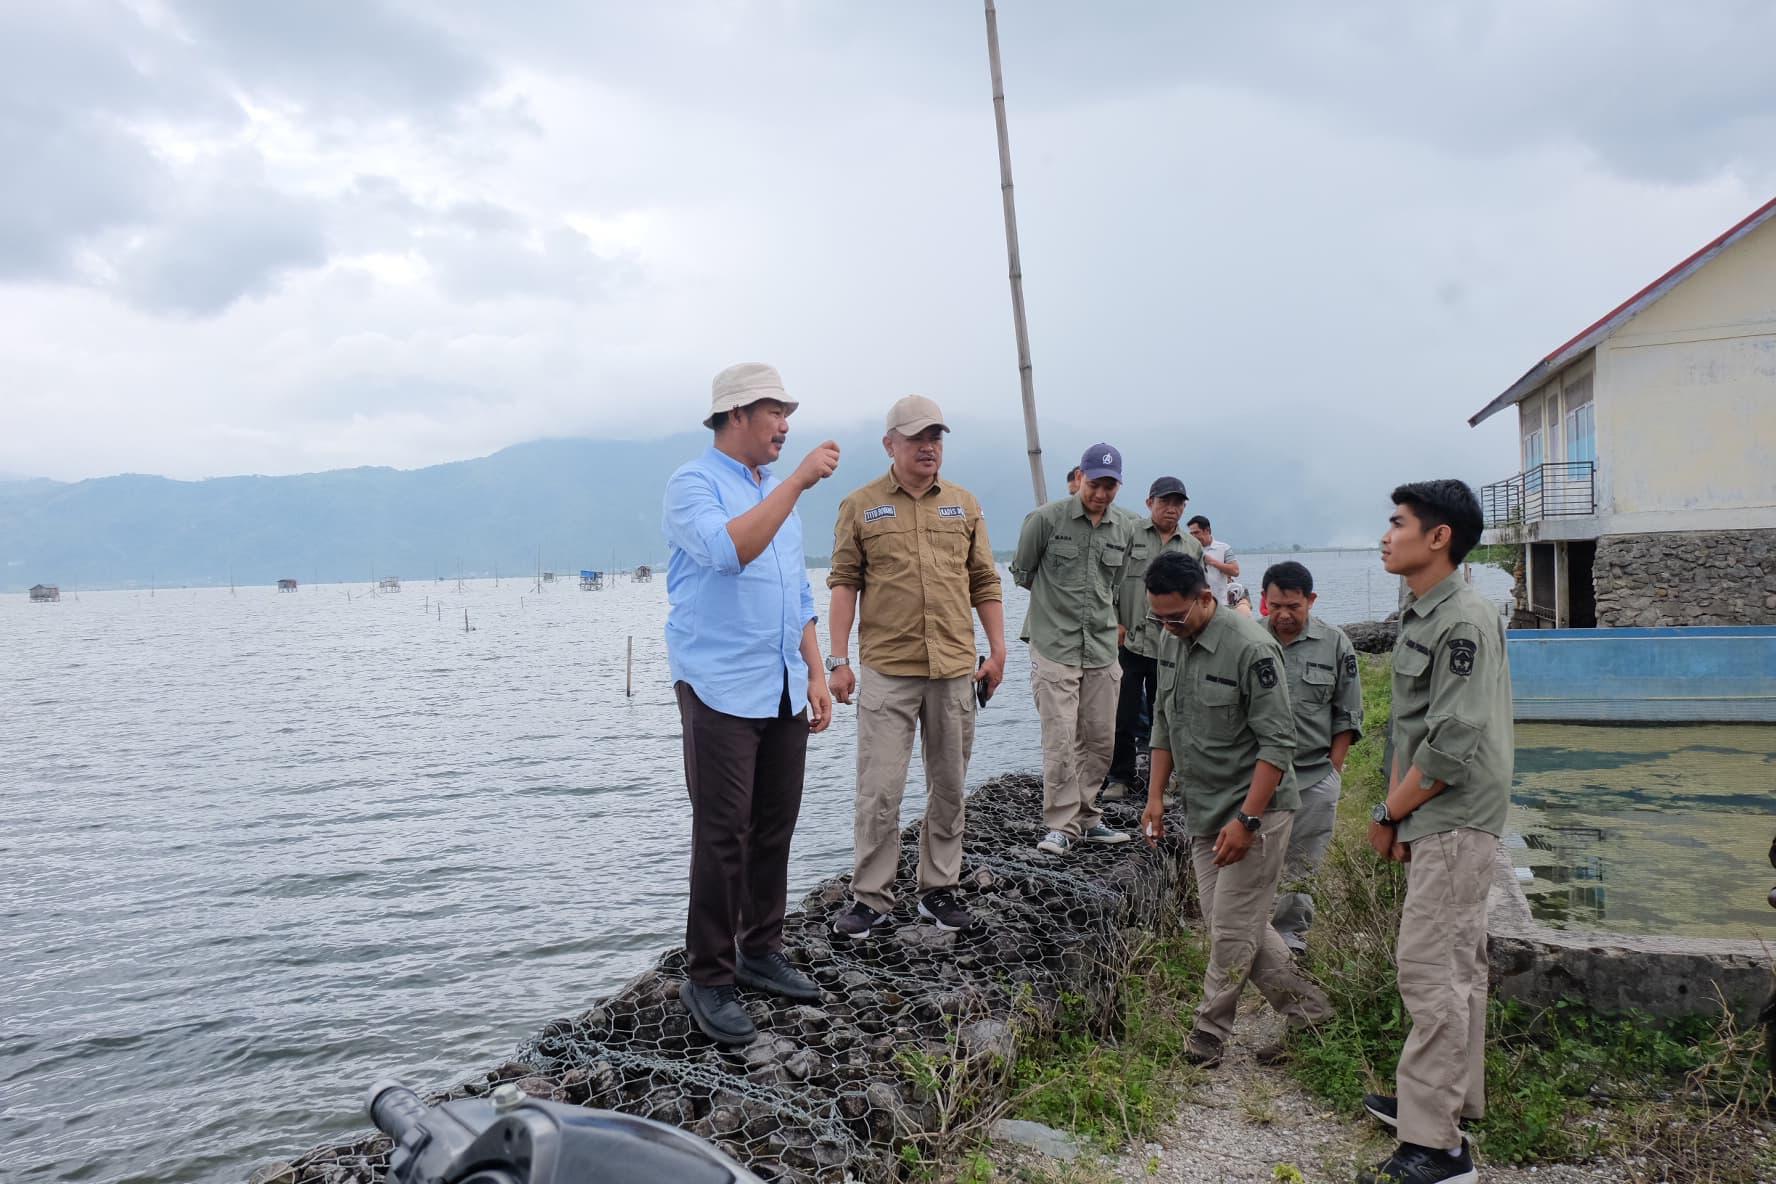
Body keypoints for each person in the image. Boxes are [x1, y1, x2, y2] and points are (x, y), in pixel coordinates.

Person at [661, 362, 839, 1047]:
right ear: (737, 414)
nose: (786, 426)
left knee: (774, 825)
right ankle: (706, 976)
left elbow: (795, 595)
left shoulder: (774, 494)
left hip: (782, 682)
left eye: (789, 414)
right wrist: (796, 483)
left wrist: (817, 673)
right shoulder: (693, 484)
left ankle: (759, 949)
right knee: (722, 832)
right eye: (775, 412)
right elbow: (729, 550)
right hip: (718, 686)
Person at [1358, 479, 1512, 1184]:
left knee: (1432, 974)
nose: (1387, 536)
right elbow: (1411, 730)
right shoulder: (1427, 612)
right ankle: (1444, 1102)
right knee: (1459, 969)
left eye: (1398, 524)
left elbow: (1450, 746)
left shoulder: (1464, 620)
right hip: (1434, 815)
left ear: (1438, 536)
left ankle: (1438, 1151)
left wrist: (1391, 811)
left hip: (1452, 816)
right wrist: (1397, 814)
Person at [1139, 552, 1331, 1067]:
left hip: (1256, 812)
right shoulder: (1169, 638)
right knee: (1232, 920)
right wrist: (1156, 796)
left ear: (1207, 598)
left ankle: (1208, 1034)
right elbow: (1163, 723)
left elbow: (1277, 744)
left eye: (1176, 617)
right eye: (1159, 618)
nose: (1168, 627)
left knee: (1228, 927)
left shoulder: (1251, 648)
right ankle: (1312, 1014)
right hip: (1203, 809)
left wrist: (1247, 820)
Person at [826, 395, 1006, 939]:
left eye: (936, 438)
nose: (929, 447)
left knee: (949, 785)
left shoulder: (965, 503)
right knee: (879, 789)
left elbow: (985, 582)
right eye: (916, 438)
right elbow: (844, 584)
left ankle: (939, 890)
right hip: (887, 669)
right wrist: (837, 661)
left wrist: (997, 652)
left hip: (954, 666)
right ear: (890, 445)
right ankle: (871, 899)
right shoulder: (859, 506)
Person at [1010, 444, 1136, 856]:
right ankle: (1061, 825)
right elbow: (1023, 574)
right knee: (1061, 738)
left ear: (1119, 484)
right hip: (1054, 645)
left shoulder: (1125, 528)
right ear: (1080, 477)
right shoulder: (1045, 520)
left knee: (1100, 739)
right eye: (1095, 484)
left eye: (1110, 486)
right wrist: (1056, 606)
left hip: (1101, 645)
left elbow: (1114, 585)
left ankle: (1086, 815)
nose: (1101, 494)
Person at [1260, 561, 1364, 958]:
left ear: (1311, 601)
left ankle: (1291, 938)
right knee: (1256, 860)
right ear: (1264, 601)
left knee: (1303, 863)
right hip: (1257, 778)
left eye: (1293, 606)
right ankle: (1250, 935)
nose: (1284, 615)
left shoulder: (1335, 644)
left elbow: (1347, 715)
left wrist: (1332, 774)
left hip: (1313, 773)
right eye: (1275, 606)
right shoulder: (1249, 640)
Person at [1105, 476, 1202, 800]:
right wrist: (1115, 622)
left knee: (1170, 712)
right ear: (1149, 504)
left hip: (1173, 646)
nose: (1171, 509)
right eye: (1164, 502)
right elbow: (1111, 581)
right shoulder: (1130, 534)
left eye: (1177, 503)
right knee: (1123, 714)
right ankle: (1120, 777)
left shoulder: (1191, 547)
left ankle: (1169, 781)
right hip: (1131, 642)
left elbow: (1200, 597)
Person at [1186, 515, 1240, 605]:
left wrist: (1213, 562)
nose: (1193, 537)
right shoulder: (1187, 549)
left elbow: (1235, 571)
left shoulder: (1224, 548)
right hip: (1195, 605)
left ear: (1208, 530)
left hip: (1219, 604)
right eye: (1191, 534)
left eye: (1196, 533)